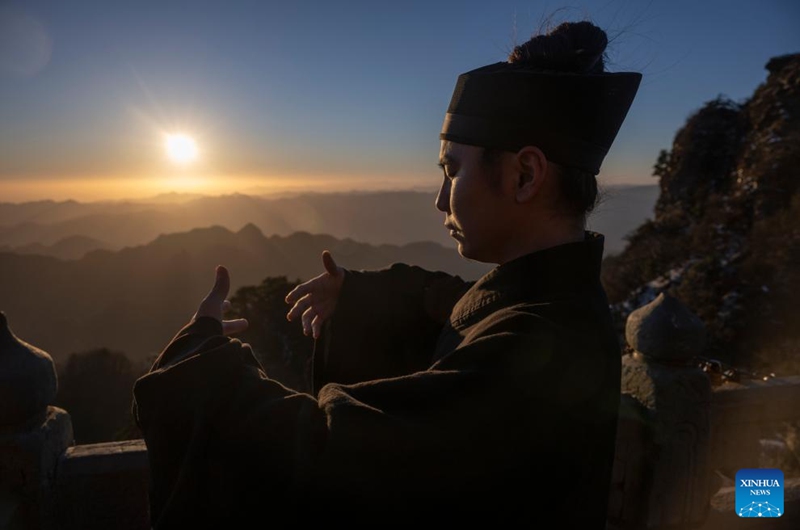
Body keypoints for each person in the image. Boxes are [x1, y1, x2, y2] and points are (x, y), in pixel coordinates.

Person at [132, 19, 641, 528]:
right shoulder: (555, 304)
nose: (441, 199)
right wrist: (358, 297)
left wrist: (201, 370)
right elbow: (455, 306)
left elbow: (332, 455)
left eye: (452, 170)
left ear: (524, 175)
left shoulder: (539, 345)